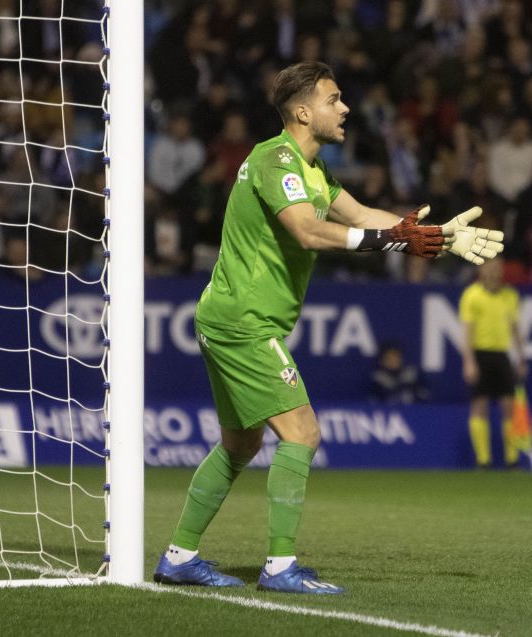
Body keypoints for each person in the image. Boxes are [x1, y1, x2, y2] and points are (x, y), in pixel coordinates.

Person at [153, 61, 503, 594]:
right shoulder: (274, 159)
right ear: (302, 111)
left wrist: (434, 235)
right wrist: (398, 241)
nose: (345, 108)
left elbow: (361, 215)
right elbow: (309, 231)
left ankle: (179, 556)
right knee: (303, 433)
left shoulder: (315, 172)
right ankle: (279, 567)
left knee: (240, 445)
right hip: (244, 321)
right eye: (333, 99)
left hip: (231, 318)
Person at [459, 257, 526, 470]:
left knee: (508, 405)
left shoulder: (510, 295)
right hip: (480, 353)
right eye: (489, 267)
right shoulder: (472, 295)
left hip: (502, 354)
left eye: (497, 267)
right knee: (480, 404)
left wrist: (522, 356)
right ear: (481, 269)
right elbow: (467, 331)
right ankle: (483, 459)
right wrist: (469, 361)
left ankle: (511, 459)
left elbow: (515, 328)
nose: (493, 271)